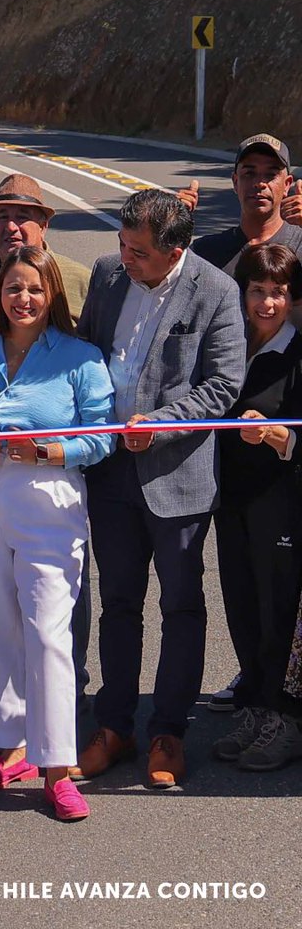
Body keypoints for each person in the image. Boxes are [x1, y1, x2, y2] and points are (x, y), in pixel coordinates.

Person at [76, 189, 245, 788]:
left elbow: (224, 384)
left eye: (139, 251)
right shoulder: (106, 275)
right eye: (123, 245)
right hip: (110, 473)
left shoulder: (216, 290)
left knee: (181, 605)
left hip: (177, 476)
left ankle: (168, 732)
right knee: (119, 603)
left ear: (176, 250)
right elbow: (86, 355)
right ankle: (113, 726)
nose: (127, 258)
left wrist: (163, 424)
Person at [0, 247, 113, 821]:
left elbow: (102, 436)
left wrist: (48, 450)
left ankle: (58, 766)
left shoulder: (81, 357)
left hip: (48, 498)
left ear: (53, 294)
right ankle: (10, 748)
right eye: (13, 288)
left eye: (35, 289)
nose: (24, 298)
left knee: (48, 631)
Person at [211, 244, 302, 770]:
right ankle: (255, 706)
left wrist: (275, 434)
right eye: (257, 291)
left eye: (279, 293)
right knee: (241, 605)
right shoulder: (230, 345)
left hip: (281, 501)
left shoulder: (298, 353)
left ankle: (284, 718)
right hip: (231, 499)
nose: (267, 303)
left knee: (277, 612)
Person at [0, 175, 91, 323]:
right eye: (3, 217)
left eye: (22, 217)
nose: (11, 227)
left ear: (43, 227)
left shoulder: (80, 280)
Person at [190, 135, 302, 279]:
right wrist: (171, 225)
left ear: (287, 184)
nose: (260, 183)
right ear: (235, 182)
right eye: (249, 173)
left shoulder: (299, 244)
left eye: (271, 174)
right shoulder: (205, 252)